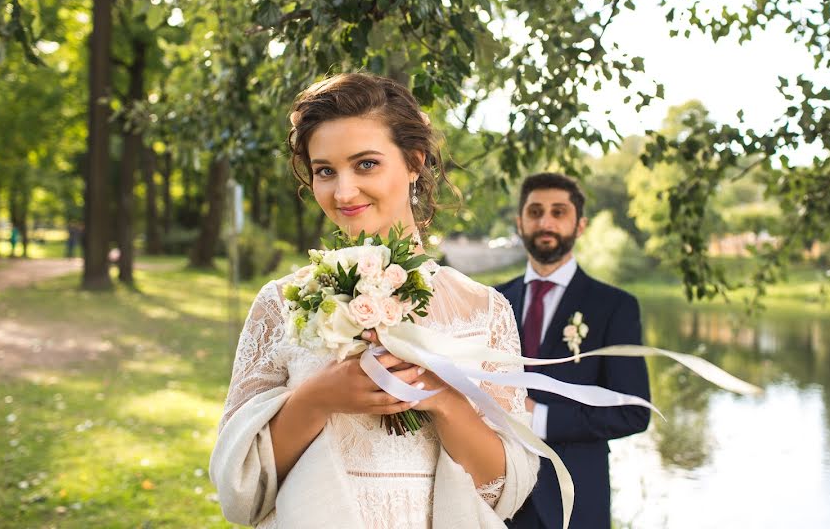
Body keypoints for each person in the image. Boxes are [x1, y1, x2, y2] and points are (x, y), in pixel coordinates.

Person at [209, 73, 539, 528]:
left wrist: (445, 400)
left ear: (414, 163)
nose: (343, 192)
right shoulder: (280, 304)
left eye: (365, 164)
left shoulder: (484, 310)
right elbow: (240, 488)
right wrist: (317, 399)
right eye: (325, 170)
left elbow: (504, 491)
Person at [497, 173, 651, 529]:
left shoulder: (614, 306)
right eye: (534, 212)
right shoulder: (491, 300)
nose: (545, 222)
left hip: (575, 500)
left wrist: (540, 418)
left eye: (558, 212)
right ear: (520, 222)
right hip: (497, 495)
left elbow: (633, 412)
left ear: (579, 225)